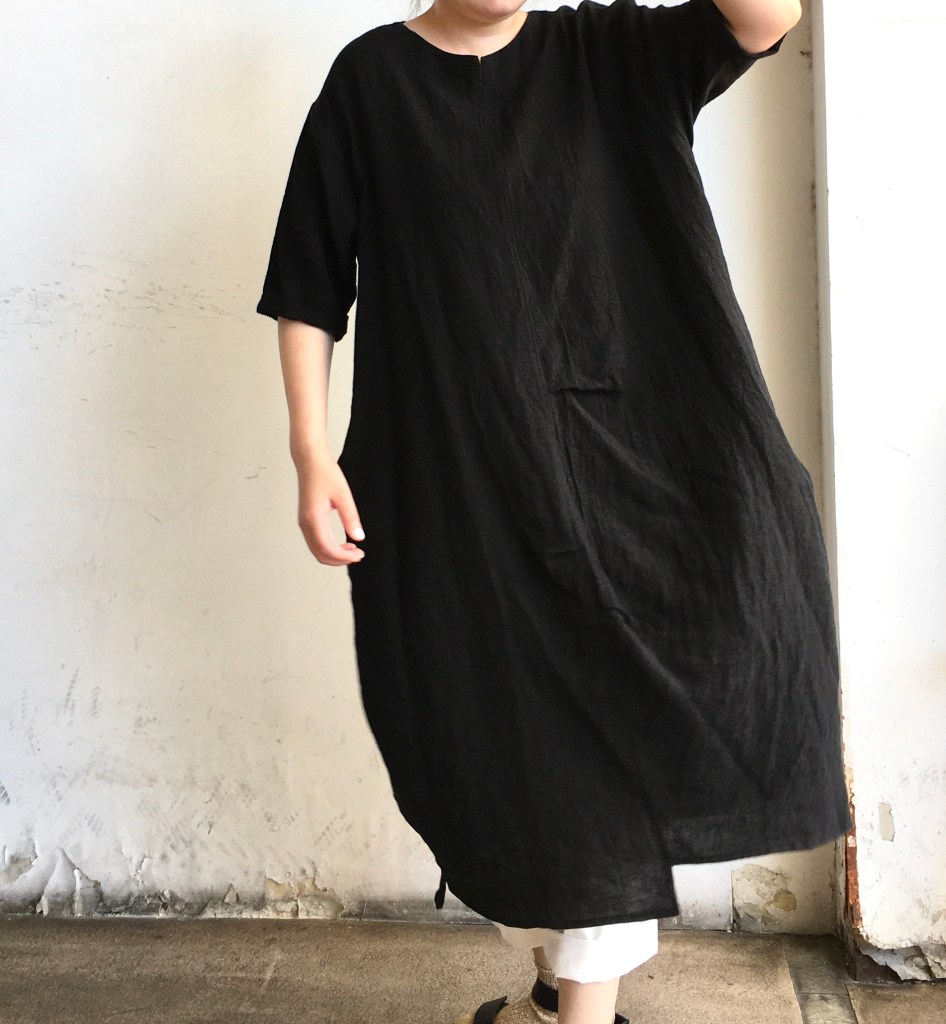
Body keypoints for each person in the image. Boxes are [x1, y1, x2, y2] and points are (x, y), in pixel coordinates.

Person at [256, 2, 851, 1022]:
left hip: (633, 480)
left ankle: (582, 1010)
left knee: (594, 769)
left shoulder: (610, 51)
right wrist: (311, 453)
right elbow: (310, 286)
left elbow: (765, 17)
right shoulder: (373, 83)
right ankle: (553, 982)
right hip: (456, 491)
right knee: (494, 747)